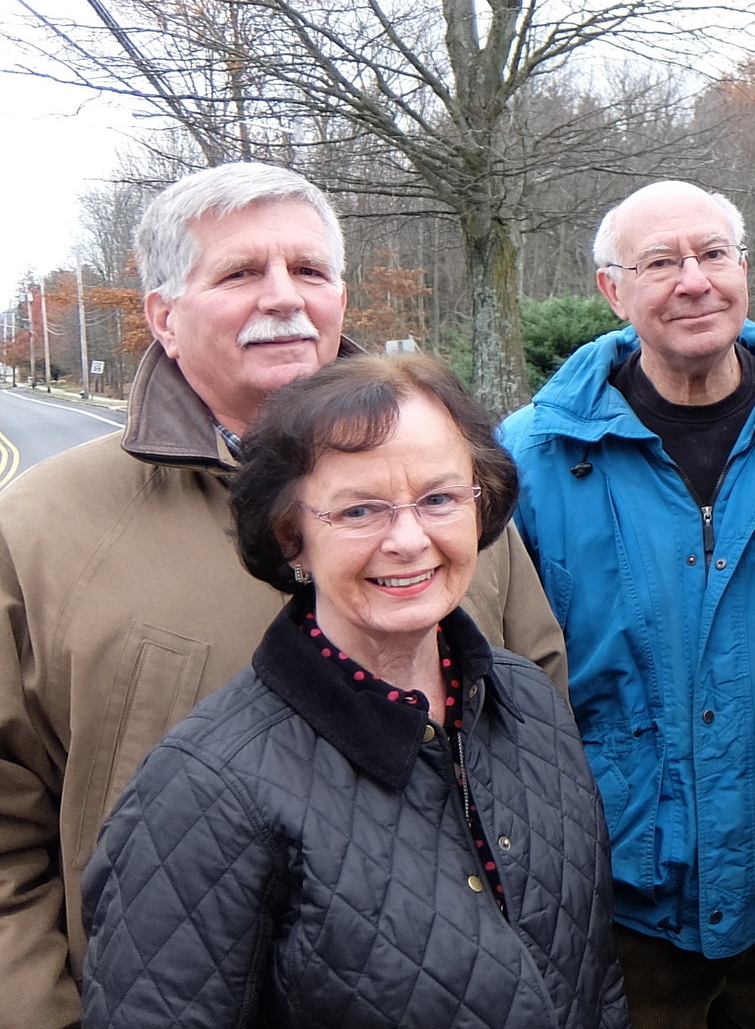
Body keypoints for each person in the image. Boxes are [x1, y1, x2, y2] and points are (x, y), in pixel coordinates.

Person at [0, 161, 565, 1029]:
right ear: (163, 315)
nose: (284, 299)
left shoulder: (446, 500)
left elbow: (536, 736)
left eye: (310, 271)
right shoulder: (39, 527)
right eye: (238, 273)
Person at [80, 354, 625, 1028]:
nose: (408, 538)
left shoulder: (525, 703)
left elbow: (592, 978)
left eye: (438, 498)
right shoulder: (203, 793)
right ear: (292, 538)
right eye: (360, 509)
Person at [502, 181, 755, 1029]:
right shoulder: (530, 459)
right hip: (614, 907)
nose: (693, 280)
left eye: (713, 255)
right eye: (660, 262)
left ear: (744, 269)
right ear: (612, 291)